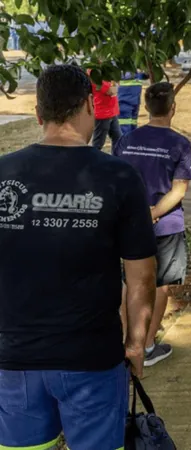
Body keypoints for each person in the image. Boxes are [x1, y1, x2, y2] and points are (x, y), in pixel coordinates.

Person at [0, 65, 156, 450]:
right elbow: (141, 276)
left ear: (38, 114)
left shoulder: (3, 173)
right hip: (91, 360)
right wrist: (137, 343)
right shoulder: (119, 176)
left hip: (14, 360)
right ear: (90, 104)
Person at [114, 82, 191, 367]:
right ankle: (147, 346)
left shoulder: (126, 141)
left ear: (146, 108)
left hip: (130, 224)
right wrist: (154, 213)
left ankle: (127, 341)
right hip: (166, 226)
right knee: (161, 284)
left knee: (129, 280)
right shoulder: (180, 144)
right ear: (173, 108)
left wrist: (136, 214)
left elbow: (118, 181)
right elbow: (179, 189)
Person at [91, 71, 122, 149]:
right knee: (98, 143)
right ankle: (93, 160)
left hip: (111, 112)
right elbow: (111, 91)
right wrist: (115, 83)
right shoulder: (94, 72)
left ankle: (115, 159)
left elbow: (116, 86)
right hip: (102, 113)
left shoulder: (106, 70)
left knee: (118, 139)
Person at [118, 70, 148, 135]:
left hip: (135, 102)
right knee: (124, 128)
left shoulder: (136, 69)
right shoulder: (122, 67)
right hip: (124, 103)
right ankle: (125, 144)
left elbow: (146, 75)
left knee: (133, 126)